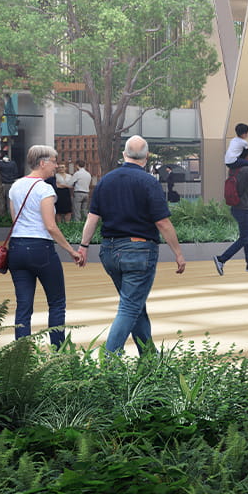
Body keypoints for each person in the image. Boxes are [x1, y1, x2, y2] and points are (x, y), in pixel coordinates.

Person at [80, 136, 186, 356]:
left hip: (109, 252)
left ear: (123, 154)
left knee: (135, 304)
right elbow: (162, 222)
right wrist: (178, 253)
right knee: (129, 306)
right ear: (146, 157)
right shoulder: (149, 182)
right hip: (138, 252)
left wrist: (83, 246)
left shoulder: (106, 180)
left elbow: (92, 218)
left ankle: (149, 358)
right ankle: (109, 359)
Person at [6, 145, 82, 346]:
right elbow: (51, 225)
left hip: (16, 248)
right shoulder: (44, 188)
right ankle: (58, 352)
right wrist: (70, 250)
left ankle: (21, 354)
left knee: (23, 305)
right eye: (54, 161)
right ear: (42, 163)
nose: (56, 166)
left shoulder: (15, 186)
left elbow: (15, 219)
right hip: (40, 250)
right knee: (56, 304)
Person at [70, 160, 93, 225]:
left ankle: (77, 223)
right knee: (85, 209)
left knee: (77, 209)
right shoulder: (88, 174)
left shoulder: (77, 173)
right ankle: (87, 223)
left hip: (78, 192)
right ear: (84, 165)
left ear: (77, 165)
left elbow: (70, 183)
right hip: (86, 193)